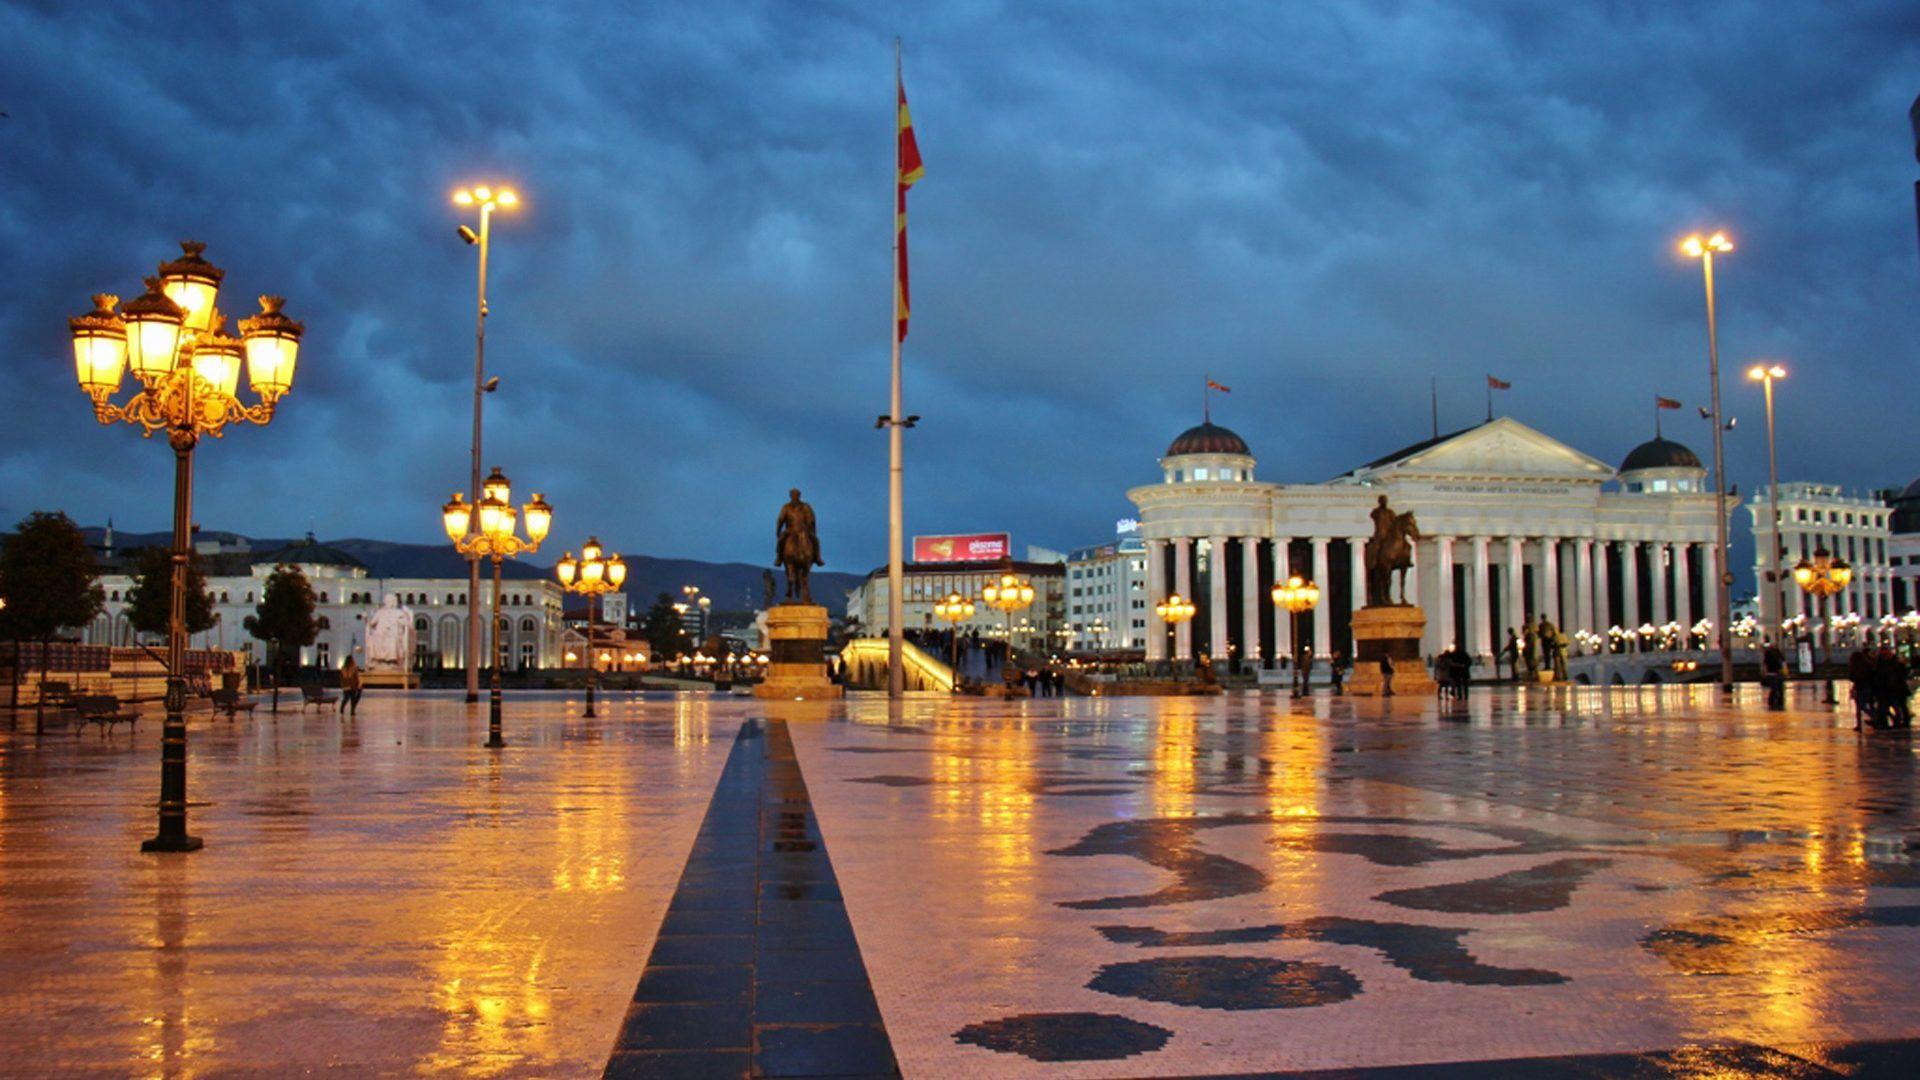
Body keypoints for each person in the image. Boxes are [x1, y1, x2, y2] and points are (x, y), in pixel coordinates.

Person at [1876, 645, 1910, 728]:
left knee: (1898, 705)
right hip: (1892, 688)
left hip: (1894, 688)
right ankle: (1899, 720)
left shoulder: (1892, 664)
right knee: (1896, 705)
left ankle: (1899, 720)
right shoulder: (1892, 663)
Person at [1849, 647, 1876, 730]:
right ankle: (1872, 718)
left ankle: (1862, 723)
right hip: (1867, 687)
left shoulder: (1856, 667)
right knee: (1863, 706)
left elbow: (1853, 678)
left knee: (1860, 707)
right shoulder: (1868, 665)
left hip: (1860, 688)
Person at [1762, 639, 1787, 711]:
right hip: (1778, 673)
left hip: (1771, 674)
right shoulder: (1778, 653)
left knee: (1774, 689)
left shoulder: (1768, 653)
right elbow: (1783, 663)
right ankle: (1779, 702)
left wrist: (1764, 673)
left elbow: (1765, 664)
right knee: (1779, 688)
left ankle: (1772, 702)